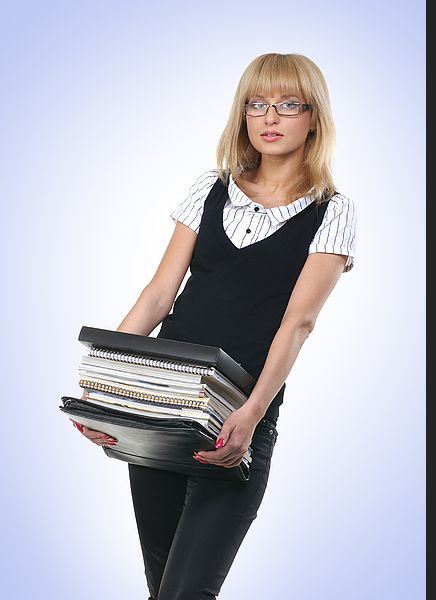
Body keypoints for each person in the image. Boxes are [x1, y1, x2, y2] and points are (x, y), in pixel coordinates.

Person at [70, 52, 357, 599]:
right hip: (161, 408)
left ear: (314, 117)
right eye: (258, 103)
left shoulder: (333, 210)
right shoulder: (210, 187)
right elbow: (158, 296)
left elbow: (299, 322)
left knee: (187, 592)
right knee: (163, 590)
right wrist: (103, 395)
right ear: (243, 114)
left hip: (237, 421)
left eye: (289, 104)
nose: (271, 116)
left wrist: (252, 415)